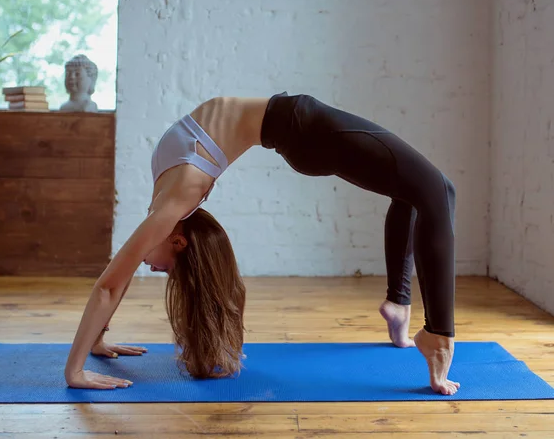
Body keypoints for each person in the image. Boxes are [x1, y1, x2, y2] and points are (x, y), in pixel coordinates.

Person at [64, 92, 460, 395]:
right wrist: (78, 366)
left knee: (425, 192)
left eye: (164, 268)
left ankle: (398, 303)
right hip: (302, 127)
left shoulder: (168, 207)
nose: (153, 267)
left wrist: (89, 350)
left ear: (179, 242)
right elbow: (116, 278)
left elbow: (115, 279)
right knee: (437, 192)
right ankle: (438, 335)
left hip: (302, 128)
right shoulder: (172, 205)